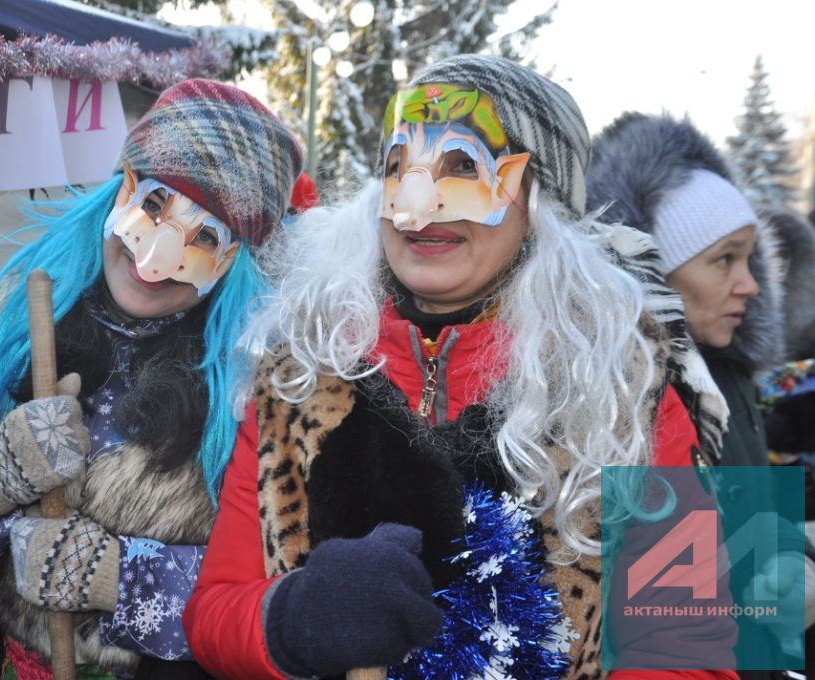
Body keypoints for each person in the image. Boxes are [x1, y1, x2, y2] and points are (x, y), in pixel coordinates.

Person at [184, 55, 738, 680]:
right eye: (400, 168)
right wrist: (295, 619)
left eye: (462, 168)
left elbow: (689, 649)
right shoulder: (299, 376)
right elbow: (212, 614)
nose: (418, 205)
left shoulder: (627, 389)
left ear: (538, 206)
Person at [0, 79, 302, 678]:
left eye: (204, 236)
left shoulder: (266, 384)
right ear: (119, 192)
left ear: (238, 260)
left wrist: (122, 576)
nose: (155, 257)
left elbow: (281, 596)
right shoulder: (9, 328)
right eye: (154, 206)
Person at [586, 112, 815, 679]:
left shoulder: (726, 376)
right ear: (659, 270)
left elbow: (754, 513)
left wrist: (795, 561)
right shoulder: (620, 394)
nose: (752, 283)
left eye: (749, 256)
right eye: (724, 259)